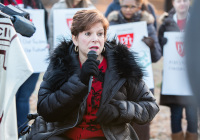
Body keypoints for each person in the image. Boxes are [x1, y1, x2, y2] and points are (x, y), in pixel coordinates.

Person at [25, 9, 159, 140]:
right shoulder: (61, 63)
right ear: (75, 39)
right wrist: (79, 82)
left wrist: (119, 110)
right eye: (88, 34)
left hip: (106, 136)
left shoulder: (122, 64)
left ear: (105, 37)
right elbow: (45, 109)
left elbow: (150, 107)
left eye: (100, 34)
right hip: (62, 134)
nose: (95, 39)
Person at [107, 0, 162, 139]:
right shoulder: (112, 23)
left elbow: (156, 57)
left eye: (132, 6)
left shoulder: (147, 24)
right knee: (121, 121)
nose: (128, 10)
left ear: (139, 7)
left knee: (142, 121)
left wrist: (152, 45)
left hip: (142, 81)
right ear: (120, 6)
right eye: (125, 6)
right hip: (119, 82)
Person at [0, 0, 48, 137]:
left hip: (32, 57)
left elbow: (34, 29)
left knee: (23, 97)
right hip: (7, 60)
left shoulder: (36, 4)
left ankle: (21, 133)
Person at [158, 0, 198, 140]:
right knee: (175, 115)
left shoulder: (196, 23)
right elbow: (159, 51)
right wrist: (161, 44)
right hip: (173, 79)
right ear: (173, 4)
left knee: (192, 115)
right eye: (178, 1)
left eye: (185, 0)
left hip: (191, 77)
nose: (182, 3)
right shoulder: (166, 24)